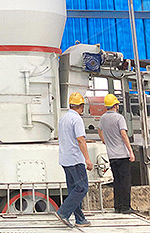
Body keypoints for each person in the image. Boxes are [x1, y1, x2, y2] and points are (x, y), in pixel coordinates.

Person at [55, 92, 93, 228]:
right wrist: (87, 159)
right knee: (82, 188)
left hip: (65, 158)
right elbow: (80, 139)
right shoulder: (77, 120)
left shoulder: (63, 118)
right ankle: (63, 212)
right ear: (81, 106)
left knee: (73, 190)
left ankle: (80, 219)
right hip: (75, 159)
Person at [98, 93, 136, 214]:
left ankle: (117, 206)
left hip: (111, 155)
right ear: (115, 105)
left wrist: (104, 140)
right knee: (125, 182)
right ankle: (125, 207)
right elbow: (123, 134)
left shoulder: (103, 118)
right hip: (122, 155)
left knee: (117, 181)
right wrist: (130, 151)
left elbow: (99, 130)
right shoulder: (119, 118)